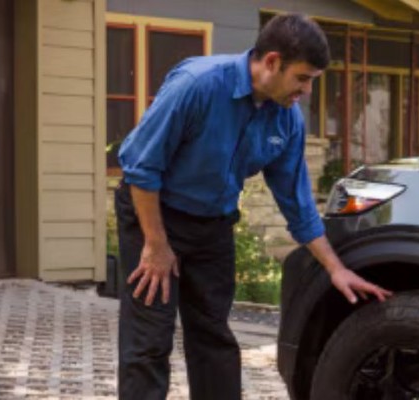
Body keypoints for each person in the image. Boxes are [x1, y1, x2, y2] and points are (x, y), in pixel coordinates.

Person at [115, 14, 391, 400]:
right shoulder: (198, 85)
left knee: (214, 336)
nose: (307, 91)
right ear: (273, 62)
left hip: (213, 224)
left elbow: (298, 206)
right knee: (149, 340)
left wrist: (336, 269)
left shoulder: (286, 120)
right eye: (303, 78)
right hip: (153, 212)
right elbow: (141, 168)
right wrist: (156, 245)